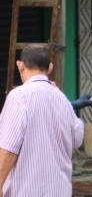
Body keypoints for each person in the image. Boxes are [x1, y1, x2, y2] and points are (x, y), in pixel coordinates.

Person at [0, 44, 84, 197]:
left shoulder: (18, 97)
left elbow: (8, 148)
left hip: (27, 192)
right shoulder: (62, 99)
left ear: (20, 66)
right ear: (50, 68)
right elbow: (77, 138)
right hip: (60, 191)